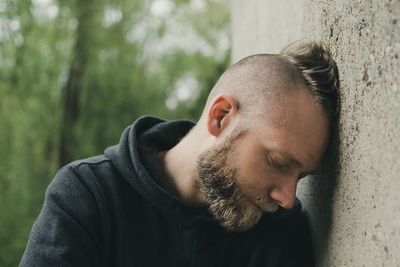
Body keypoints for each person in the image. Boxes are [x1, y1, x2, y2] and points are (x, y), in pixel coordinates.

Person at [20, 40, 340, 267]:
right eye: (278, 162)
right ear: (221, 116)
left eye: (301, 176)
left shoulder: (280, 231)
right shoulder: (87, 196)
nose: (287, 197)